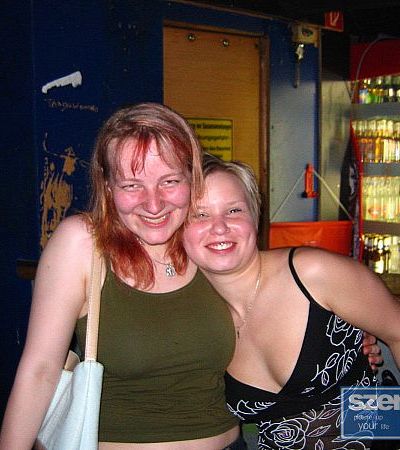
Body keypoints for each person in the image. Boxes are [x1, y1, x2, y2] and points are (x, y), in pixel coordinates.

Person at [0, 103, 242, 450]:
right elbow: (40, 369)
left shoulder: (209, 241)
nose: (154, 204)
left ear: (193, 179)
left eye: (169, 181)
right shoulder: (83, 243)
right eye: (132, 185)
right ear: (108, 186)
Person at [182, 154, 400, 449]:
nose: (219, 227)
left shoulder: (313, 273)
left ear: (255, 216)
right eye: (199, 215)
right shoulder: (192, 318)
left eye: (234, 210)